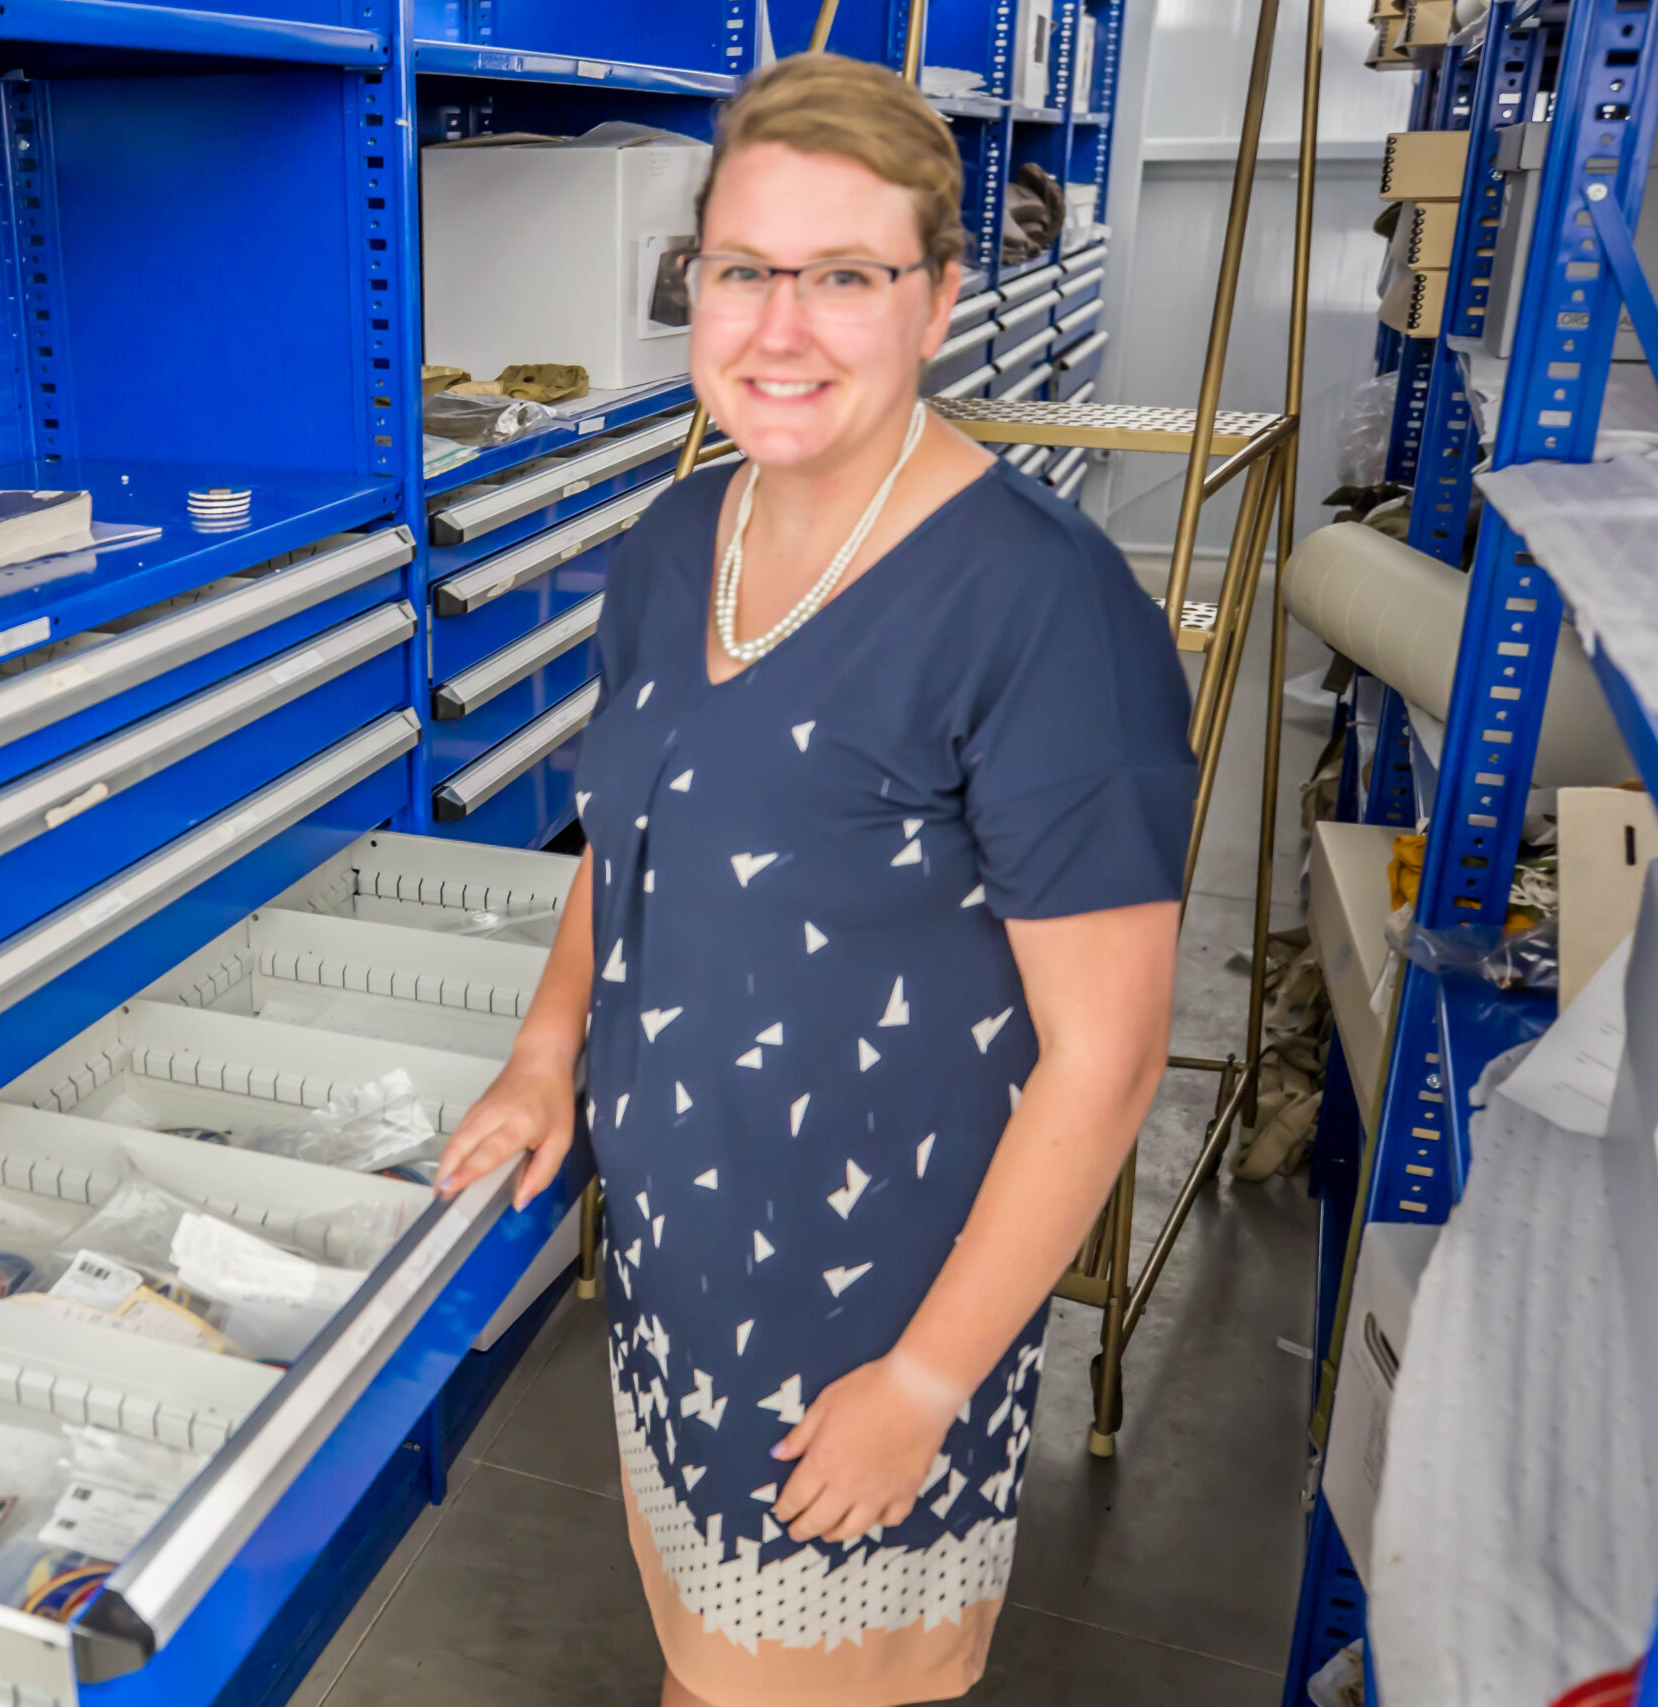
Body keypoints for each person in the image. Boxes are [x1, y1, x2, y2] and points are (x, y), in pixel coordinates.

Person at [433, 51, 1197, 1707]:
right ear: (694, 286)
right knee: (711, 1665)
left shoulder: (1043, 614)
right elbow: (626, 833)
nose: (781, 330)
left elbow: (1112, 1058)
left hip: (878, 1305)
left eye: (846, 277)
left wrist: (924, 1384)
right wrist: (547, 1050)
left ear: (934, 302)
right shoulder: (670, 541)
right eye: (742, 272)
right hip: (683, 1274)